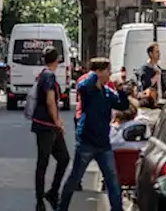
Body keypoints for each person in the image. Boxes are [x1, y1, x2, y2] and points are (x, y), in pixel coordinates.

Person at [56, 59, 130, 211]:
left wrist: (121, 89)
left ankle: (117, 208)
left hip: (103, 143)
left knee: (112, 180)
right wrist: (93, 76)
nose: (110, 73)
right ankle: (61, 207)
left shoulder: (107, 92)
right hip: (86, 142)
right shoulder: (89, 88)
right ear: (99, 71)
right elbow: (82, 87)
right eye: (108, 70)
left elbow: (123, 105)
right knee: (75, 178)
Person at [31, 47, 70, 211]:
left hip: (48, 125)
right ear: (57, 59)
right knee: (43, 162)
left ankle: (53, 191)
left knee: (63, 158)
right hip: (46, 125)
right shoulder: (48, 76)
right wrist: (58, 121)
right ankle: (40, 200)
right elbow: (50, 101)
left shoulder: (44, 74)